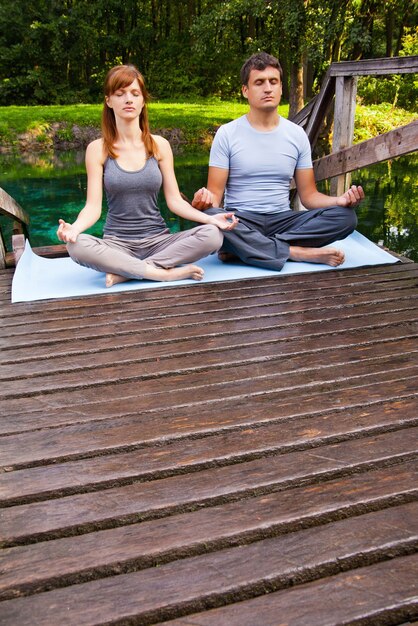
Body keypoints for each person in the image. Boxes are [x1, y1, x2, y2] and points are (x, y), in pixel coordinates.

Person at [57, 64, 238, 287]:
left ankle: (127, 272)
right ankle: (162, 273)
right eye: (120, 94)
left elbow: (174, 201)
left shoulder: (160, 145)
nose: (128, 100)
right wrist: (74, 228)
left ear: (143, 101)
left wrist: (211, 219)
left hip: (159, 241)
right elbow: (93, 208)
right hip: (117, 244)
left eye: (135, 93)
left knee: (213, 235)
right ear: (109, 101)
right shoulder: (98, 149)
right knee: (76, 246)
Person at [192, 52, 364, 271]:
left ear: (281, 88)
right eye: (259, 82)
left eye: (273, 82)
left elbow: (309, 197)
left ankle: (245, 249)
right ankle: (293, 252)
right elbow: (214, 199)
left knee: (345, 217)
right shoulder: (227, 134)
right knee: (209, 217)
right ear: (245, 90)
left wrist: (338, 201)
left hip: (284, 221)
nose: (267, 88)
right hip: (241, 220)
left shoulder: (296, 135)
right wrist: (202, 203)